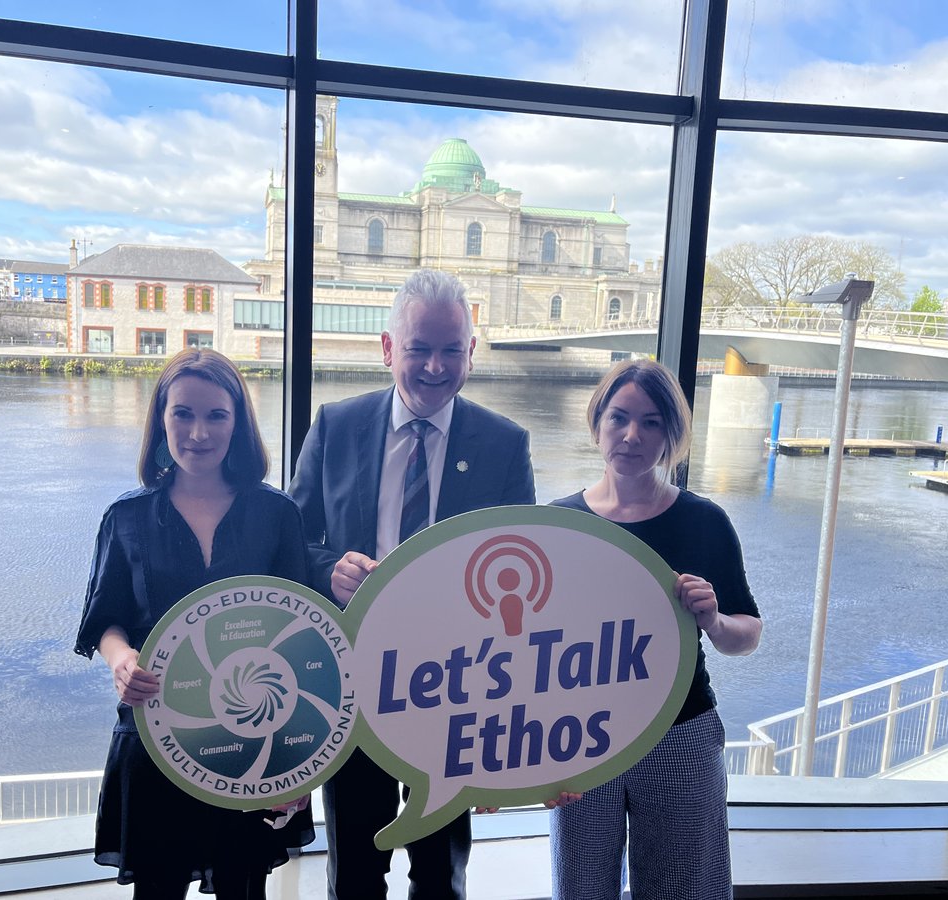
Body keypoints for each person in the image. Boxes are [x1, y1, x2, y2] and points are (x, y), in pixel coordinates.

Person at [289, 268, 536, 899]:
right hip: (354, 678)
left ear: (472, 352)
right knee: (354, 866)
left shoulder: (506, 445)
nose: (435, 366)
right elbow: (295, 541)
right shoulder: (335, 425)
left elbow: (524, 569)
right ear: (387, 348)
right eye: (419, 348)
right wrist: (329, 569)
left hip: (456, 687)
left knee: (440, 870)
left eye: (452, 349)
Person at [74, 348, 313, 899]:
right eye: (183, 413)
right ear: (161, 417)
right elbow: (106, 621)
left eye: (216, 416)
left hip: (253, 736)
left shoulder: (278, 515)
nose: (198, 432)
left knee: (243, 889)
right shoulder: (125, 517)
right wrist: (120, 660)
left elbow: (300, 639)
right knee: (157, 890)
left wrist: (298, 761)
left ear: (239, 423)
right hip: (156, 735)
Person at [549, 359, 762, 900]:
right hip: (582, 737)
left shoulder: (703, 520)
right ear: (597, 422)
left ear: (671, 434)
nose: (631, 435)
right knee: (582, 888)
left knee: (686, 890)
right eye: (619, 417)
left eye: (651, 423)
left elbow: (747, 634)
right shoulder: (556, 525)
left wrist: (711, 619)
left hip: (679, 732)